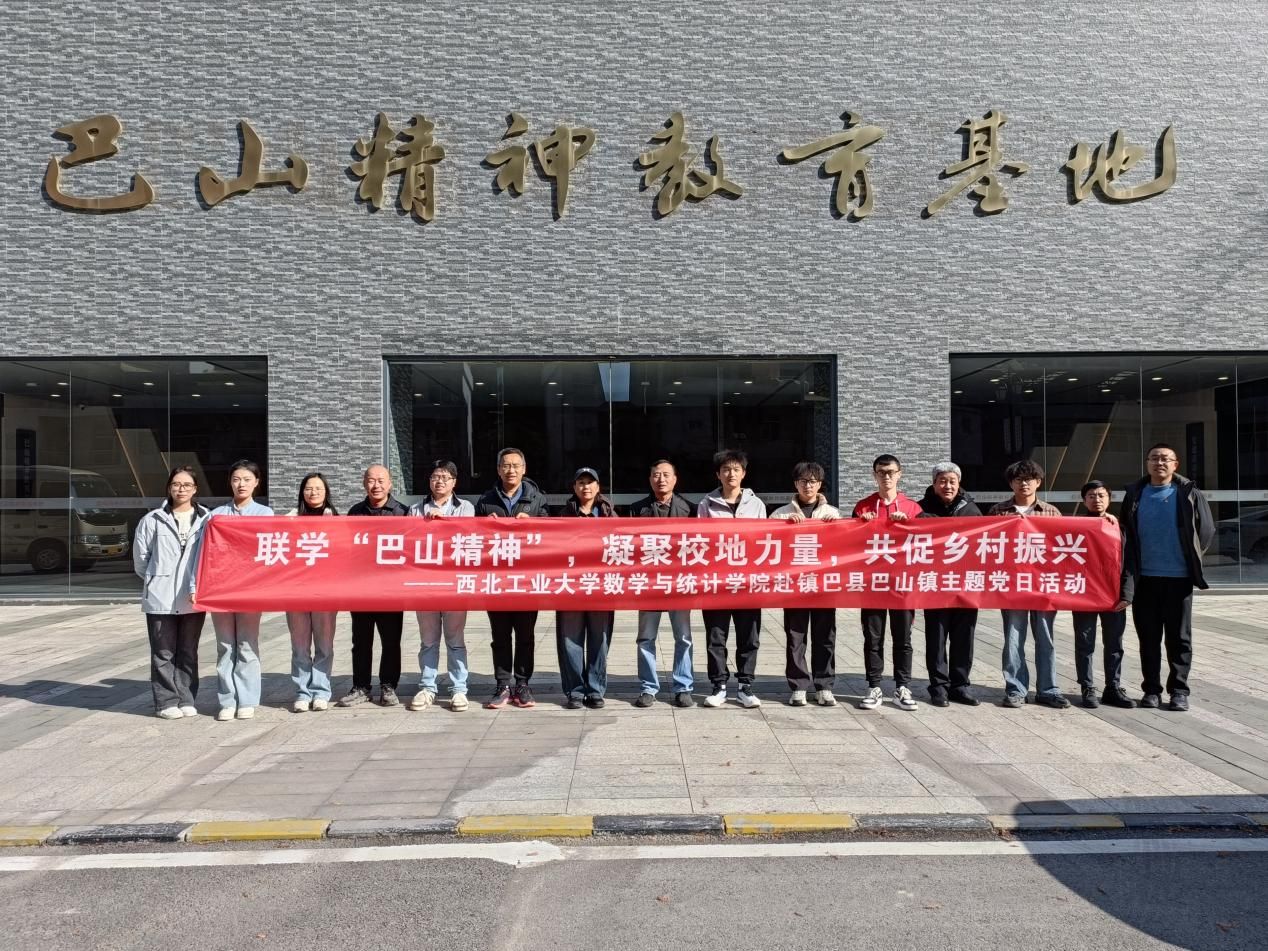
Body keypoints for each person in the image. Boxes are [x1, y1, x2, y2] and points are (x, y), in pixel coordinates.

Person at [1114, 444, 1215, 712]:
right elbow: (1125, 534)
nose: (1160, 463)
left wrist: (1192, 556)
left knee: (1179, 638)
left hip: (1179, 578)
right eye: (1154, 458)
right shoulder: (1135, 493)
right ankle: (1151, 690)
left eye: (1165, 459)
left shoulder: (1188, 492)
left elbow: (1206, 530)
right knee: (1148, 638)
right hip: (1144, 579)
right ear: (1147, 463)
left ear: (1175, 464)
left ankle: (1179, 691)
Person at [988, 459, 1069, 709]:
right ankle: (1016, 689)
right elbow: (987, 548)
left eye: (1029, 479)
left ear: (1038, 482)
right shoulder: (998, 511)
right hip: (1012, 586)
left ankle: (1048, 689)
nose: (1024, 484)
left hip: (1044, 586)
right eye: (1018, 480)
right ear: (1011, 483)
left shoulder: (1051, 512)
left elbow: (1063, 548)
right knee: (1013, 639)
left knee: (1046, 638)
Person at [475, 447, 550, 709]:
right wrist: (485, 525)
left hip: (527, 580)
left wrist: (533, 524)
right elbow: (473, 541)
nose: (511, 470)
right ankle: (502, 684)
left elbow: (550, 537)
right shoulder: (486, 500)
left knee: (525, 634)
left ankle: (523, 683)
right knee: (500, 635)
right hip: (496, 580)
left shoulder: (538, 499)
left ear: (524, 469)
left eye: (516, 465)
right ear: (498, 470)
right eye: (506, 465)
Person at [133, 465, 210, 720]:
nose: (181, 489)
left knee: (188, 650)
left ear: (195, 489)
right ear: (169, 488)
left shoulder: (207, 519)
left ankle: (186, 698)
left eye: (187, 485)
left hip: (192, 596)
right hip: (160, 597)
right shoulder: (152, 519)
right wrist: (157, 581)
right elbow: (141, 560)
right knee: (163, 652)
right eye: (176, 484)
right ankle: (166, 702)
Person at [698, 449, 766, 709]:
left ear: (744, 473)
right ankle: (719, 686)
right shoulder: (706, 504)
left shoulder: (756, 505)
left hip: (748, 583)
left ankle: (745, 686)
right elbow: (700, 543)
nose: (731, 474)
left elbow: (765, 542)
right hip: (717, 583)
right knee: (716, 636)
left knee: (749, 636)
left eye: (736, 469)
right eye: (726, 469)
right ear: (718, 474)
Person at [854, 453, 922, 712]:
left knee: (903, 638)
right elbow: (850, 543)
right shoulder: (863, 507)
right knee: (873, 638)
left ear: (899, 474)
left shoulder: (913, 508)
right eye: (881, 472)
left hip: (902, 584)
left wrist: (909, 526)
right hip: (873, 583)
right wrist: (861, 525)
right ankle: (874, 686)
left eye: (891, 472)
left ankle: (902, 687)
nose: (886, 477)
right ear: (874, 475)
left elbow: (926, 544)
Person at [338, 464, 410, 707]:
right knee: (361, 641)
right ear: (364, 483)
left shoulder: (403, 512)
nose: (376, 485)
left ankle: (388, 686)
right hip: (361, 588)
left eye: (381, 480)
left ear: (390, 484)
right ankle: (361, 686)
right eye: (371, 480)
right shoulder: (355, 512)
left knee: (391, 641)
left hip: (391, 589)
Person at [770, 461, 841, 706]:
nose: (807, 485)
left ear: (819, 484)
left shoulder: (833, 514)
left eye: (812, 481)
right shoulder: (780, 514)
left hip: (823, 586)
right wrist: (783, 528)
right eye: (803, 481)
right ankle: (799, 685)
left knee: (825, 637)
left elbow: (844, 549)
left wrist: (836, 528)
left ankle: (824, 685)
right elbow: (768, 548)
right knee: (795, 637)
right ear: (795, 484)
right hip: (795, 587)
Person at [208, 460, 274, 721]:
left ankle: (246, 700)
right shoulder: (216, 515)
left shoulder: (265, 514)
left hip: (250, 589)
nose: (241, 484)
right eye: (236, 479)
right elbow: (206, 552)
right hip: (221, 589)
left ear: (256, 482)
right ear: (230, 482)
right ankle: (227, 700)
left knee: (247, 644)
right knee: (225, 646)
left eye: (247, 479)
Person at [408, 460, 474, 712]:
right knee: (428, 640)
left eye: (445, 477)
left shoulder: (465, 507)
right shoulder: (415, 509)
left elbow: (468, 536)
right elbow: (408, 541)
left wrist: (442, 521)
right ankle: (427, 687)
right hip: (424, 584)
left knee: (455, 640)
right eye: (436, 476)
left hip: (454, 584)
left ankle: (459, 689)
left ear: (454, 482)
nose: (440, 482)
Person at [630, 460, 695, 708]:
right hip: (648, 583)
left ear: (675, 479)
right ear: (650, 479)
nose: (661, 479)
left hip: (679, 583)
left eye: (666, 475)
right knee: (646, 638)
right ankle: (648, 687)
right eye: (656, 475)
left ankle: (683, 687)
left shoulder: (689, 509)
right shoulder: (636, 509)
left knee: (684, 637)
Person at [917, 462, 983, 707]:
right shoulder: (921, 510)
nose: (947, 486)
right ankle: (938, 687)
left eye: (952, 481)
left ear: (959, 483)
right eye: (942, 481)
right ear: (934, 483)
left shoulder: (972, 510)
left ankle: (960, 686)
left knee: (964, 637)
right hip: (934, 584)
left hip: (966, 584)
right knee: (936, 637)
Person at [556, 467, 617, 709]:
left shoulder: (610, 515)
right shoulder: (563, 515)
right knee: (570, 640)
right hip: (570, 587)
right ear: (574, 487)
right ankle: (575, 690)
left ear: (598, 487)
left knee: (599, 639)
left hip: (601, 588)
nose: (586, 487)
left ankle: (595, 689)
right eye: (581, 482)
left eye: (590, 482)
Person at [1072, 480, 1133, 709]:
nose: (1096, 500)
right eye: (1091, 496)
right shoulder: (1075, 526)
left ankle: (1113, 687)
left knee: (1114, 643)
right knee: (1084, 643)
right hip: (1084, 594)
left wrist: (1127, 594)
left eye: (1101, 495)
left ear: (1109, 499)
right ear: (1084, 500)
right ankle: (1087, 687)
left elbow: (1129, 562)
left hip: (1113, 595)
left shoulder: (1119, 528)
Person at [285, 472, 338, 713]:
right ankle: (302, 692)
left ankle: (321, 691)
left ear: (326, 492)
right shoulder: (290, 519)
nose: (313, 492)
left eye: (318, 488)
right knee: (300, 646)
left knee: (324, 645)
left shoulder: (336, 520)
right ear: (301, 492)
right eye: (308, 488)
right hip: (296, 592)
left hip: (325, 592)